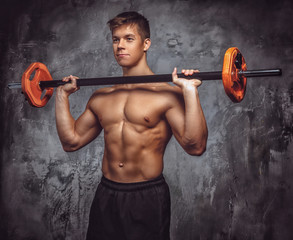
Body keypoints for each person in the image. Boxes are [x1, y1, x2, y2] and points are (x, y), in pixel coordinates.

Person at [55, 11, 208, 240]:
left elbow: (195, 146)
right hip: (106, 194)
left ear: (146, 43)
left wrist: (189, 92)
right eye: (116, 39)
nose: (120, 46)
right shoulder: (101, 97)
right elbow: (71, 142)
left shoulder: (166, 95)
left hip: (146, 196)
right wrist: (61, 96)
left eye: (129, 38)